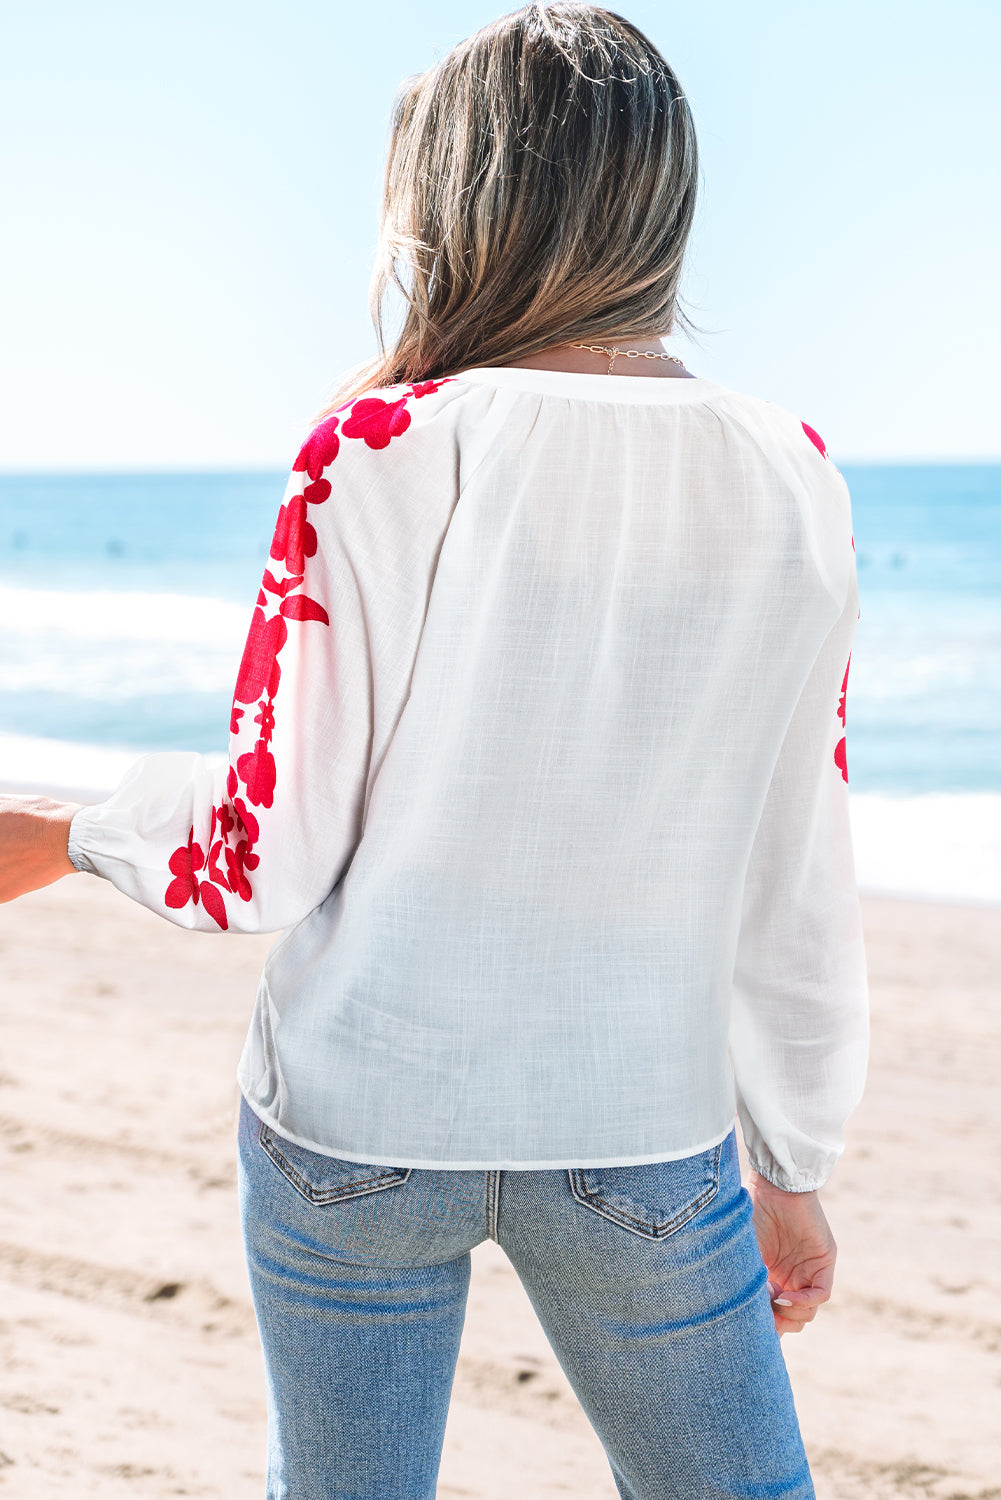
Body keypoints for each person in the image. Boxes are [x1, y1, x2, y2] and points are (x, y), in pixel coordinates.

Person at [0, 5, 869, 1498]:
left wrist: (73, 829)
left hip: (355, 1126)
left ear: (449, 200)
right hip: (638, 1137)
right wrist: (788, 1164)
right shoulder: (788, 475)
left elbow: (261, 856)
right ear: (661, 199)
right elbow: (793, 874)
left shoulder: (378, 450)